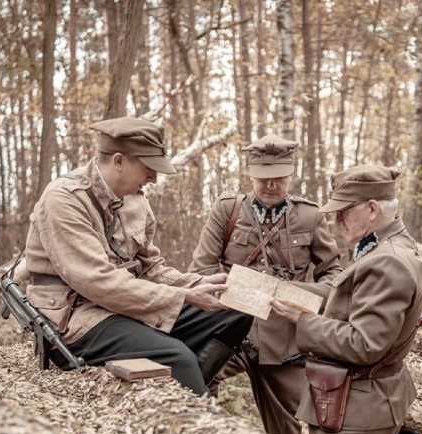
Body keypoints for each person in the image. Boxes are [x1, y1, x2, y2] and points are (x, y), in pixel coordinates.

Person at [25, 116, 252, 395]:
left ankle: (190, 387)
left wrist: (193, 285)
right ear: (118, 161)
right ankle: (192, 404)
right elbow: (98, 283)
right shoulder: (63, 200)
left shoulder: (135, 200)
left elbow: (150, 268)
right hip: (78, 318)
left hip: (124, 306)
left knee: (234, 313)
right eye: (148, 168)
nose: (154, 178)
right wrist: (182, 297)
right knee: (178, 358)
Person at [270, 164, 422, 434]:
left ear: (372, 208)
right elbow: (354, 306)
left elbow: (364, 344)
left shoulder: (387, 260)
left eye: (344, 211)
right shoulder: (384, 245)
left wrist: (301, 321)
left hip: (358, 402)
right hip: (361, 398)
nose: (337, 220)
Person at [189, 132, 342, 434]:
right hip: (232, 330)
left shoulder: (310, 216)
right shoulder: (227, 210)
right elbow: (200, 270)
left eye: (278, 178)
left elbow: (334, 275)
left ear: (290, 175)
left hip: (284, 343)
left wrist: (302, 298)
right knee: (193, 383)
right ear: (250, 175)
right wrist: (232, 294)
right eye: (263, 179)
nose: (271, 186)